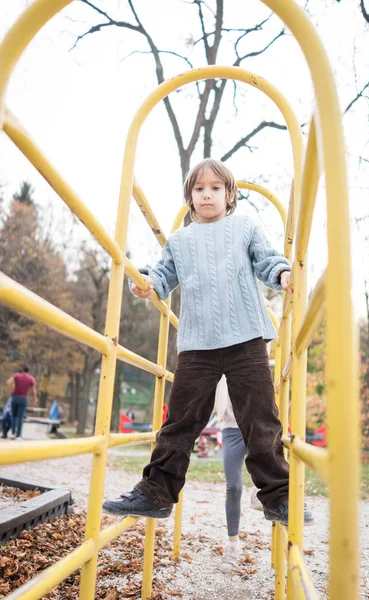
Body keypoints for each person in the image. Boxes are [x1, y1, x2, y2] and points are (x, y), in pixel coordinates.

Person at [103, 158, 313, 527]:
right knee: (180, 421)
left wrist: (281, 273)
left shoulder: (244, 226)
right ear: (190, 198)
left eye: (216, 188)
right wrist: (146, 281)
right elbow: (163, 273)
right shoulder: (181, 240)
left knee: (260, 419)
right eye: (199, 189)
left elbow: (266, 260)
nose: (207, 195)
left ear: (229, 195)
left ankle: (280, 497)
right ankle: (157, 493)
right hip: (197, 345)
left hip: (245, 338)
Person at [215, 374, 264, 573]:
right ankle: (233, 546)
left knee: (266, 474)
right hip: (231, 428)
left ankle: (259, 490)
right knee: (233, 487)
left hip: (256, 423)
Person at [6, 365, 37, 440]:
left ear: (22, 370)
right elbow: (34, 390)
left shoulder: (16, 375)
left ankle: (13, 433)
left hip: (15, 397)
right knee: (20, 417)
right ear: (29, 371)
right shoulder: (31, 378)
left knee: (14, 416)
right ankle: (18, 436)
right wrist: (35, 399)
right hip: (23, 398)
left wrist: (11, 392)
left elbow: (8, 383)